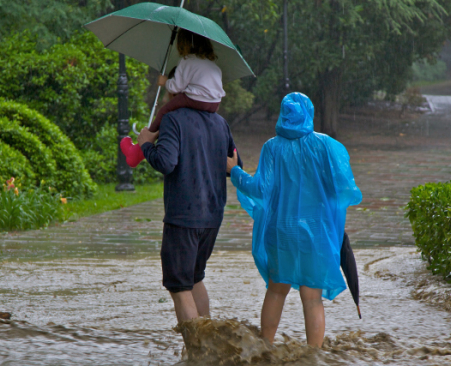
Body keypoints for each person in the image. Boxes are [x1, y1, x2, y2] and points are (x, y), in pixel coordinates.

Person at [226, 92, 362, 347]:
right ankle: (314, 357)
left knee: (277, 290)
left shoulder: (272, 147)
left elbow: (259, 190)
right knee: (312, 298)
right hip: (316, 233)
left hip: (282, 231)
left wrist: (234, 171)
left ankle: (265, 345)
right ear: (309, 113)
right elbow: (344, 189)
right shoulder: (326, 146)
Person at [137, 96, 241, 323]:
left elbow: (165, 162)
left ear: (179, 91)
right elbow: (235, 164)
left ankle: (197, 353)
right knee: (194, 278)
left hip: (183, 216)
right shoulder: (219, 122)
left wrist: (145, 144)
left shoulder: (172, 120)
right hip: (212, 217)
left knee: (179, 287)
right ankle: (209, 343)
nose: (165, 96)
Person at [122, 29, 225, 168]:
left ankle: (143, 143)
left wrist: (165, 82)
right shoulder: (214, 65)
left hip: (195, 99)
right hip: (214, 103)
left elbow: (176, 87)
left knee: (164, 112)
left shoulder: (187, 60)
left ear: (183, 44)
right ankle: (142, 146)